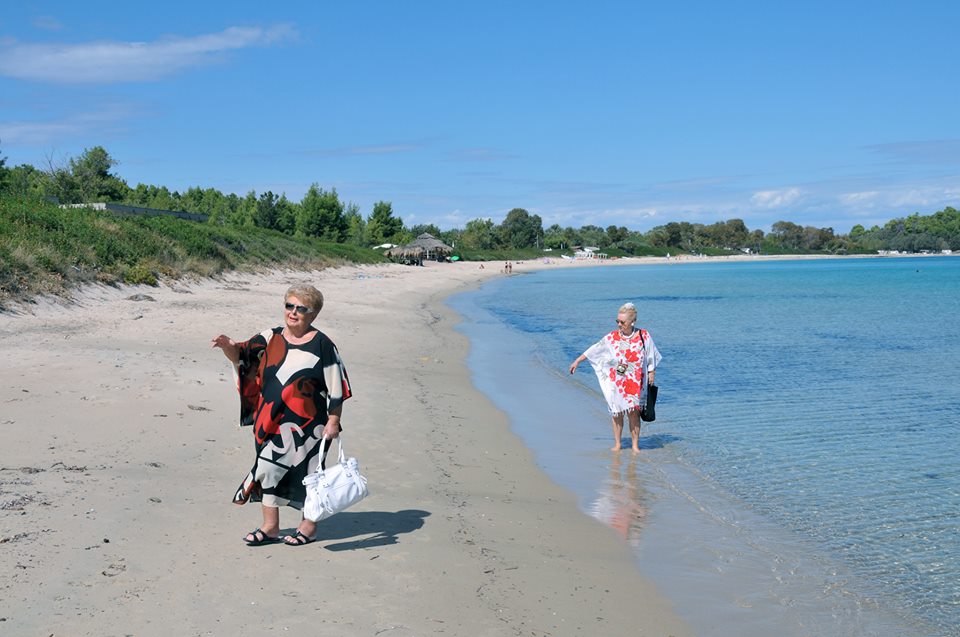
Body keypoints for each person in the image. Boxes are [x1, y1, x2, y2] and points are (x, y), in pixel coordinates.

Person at [212, 284, 352, 546]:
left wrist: (334, 420)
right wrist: (227, 346)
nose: (294, 312)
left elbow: (337, 386)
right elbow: (242, 356)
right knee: (267, 470)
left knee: (311, 474)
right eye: (290, 306)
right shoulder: (270, 337)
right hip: (270, 419)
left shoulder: (323, 345)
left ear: (314, 314)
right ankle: (271, 526)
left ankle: (308, 527)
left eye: (301, 308)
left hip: (310, 425)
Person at [568, 302, 661, 453]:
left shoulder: (644, 335)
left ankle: (635, 446)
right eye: (617, 321)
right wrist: (578, 361)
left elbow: (651, 356)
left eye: (622, 322)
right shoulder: (612, 337)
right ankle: (618, 444)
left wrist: (652, 373)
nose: (619, 324)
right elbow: (595, 349)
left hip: (637, 382)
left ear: (632, 321)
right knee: (617, 412)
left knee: (633, 413)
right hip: (617, 381)